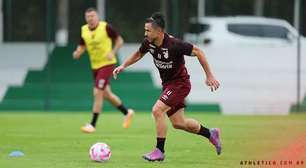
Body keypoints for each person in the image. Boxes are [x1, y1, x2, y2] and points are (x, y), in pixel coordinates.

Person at [113, 12, 221, 161]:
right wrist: (123, 65)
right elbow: (139, 54)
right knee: (179, 123)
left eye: (148, 30)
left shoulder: (175, 44)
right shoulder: (148, 43)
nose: (145, 33)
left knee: (157, 110)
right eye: (145, 30)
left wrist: (209, 75)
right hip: (168, 85)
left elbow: (198, 51)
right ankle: (211, 133)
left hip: (180, 84)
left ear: (159, 31)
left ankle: (159, 151)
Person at [72, 8, 134, 133]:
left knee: (97, 92)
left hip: (107, 65)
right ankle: (127, 112)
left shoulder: (106, 27)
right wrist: (78, 52)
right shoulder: (84, 30)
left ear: (97, 17)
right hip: (94, 67)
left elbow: (119, 40)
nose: (90, 19)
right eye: (88, 16)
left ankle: (92, 124)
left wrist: (113, 52)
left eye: (92, 16)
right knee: (106, 94)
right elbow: (82, 45)